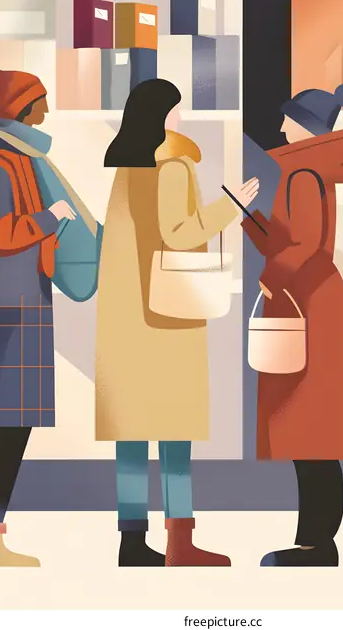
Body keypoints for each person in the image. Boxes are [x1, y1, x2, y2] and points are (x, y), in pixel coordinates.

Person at [96, 78, 259, 567]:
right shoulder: (171, 164)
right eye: (177, 110)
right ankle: (180, 542)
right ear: (163, 114)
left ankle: (130, 542)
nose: (182, 118)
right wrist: (231, 208)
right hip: (167, 316)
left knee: (130, 434)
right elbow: (180, 232)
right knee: (173, 433)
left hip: (127, 316)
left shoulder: (127, 164)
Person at [0, 58, 78, 567]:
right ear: (26, 107)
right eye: (41, 98)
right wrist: (50, 218)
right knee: (6, 425)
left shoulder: (16, 162)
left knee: (12, 425)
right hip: (6, 310)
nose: (48, 106)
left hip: (17, 303)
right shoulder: (2, 168)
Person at [242, 85, 343, 567]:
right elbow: (287, 241)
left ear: (306, 126)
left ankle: (317, 545)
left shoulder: (302, 171)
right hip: (311, 299)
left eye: (288, 119)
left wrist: (271, 279)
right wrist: (250, 218)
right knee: (307, 433)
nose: (280, 128)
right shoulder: (309, 170)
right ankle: (315, 540)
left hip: (304, 302)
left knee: (310, 432)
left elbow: (303, 244)